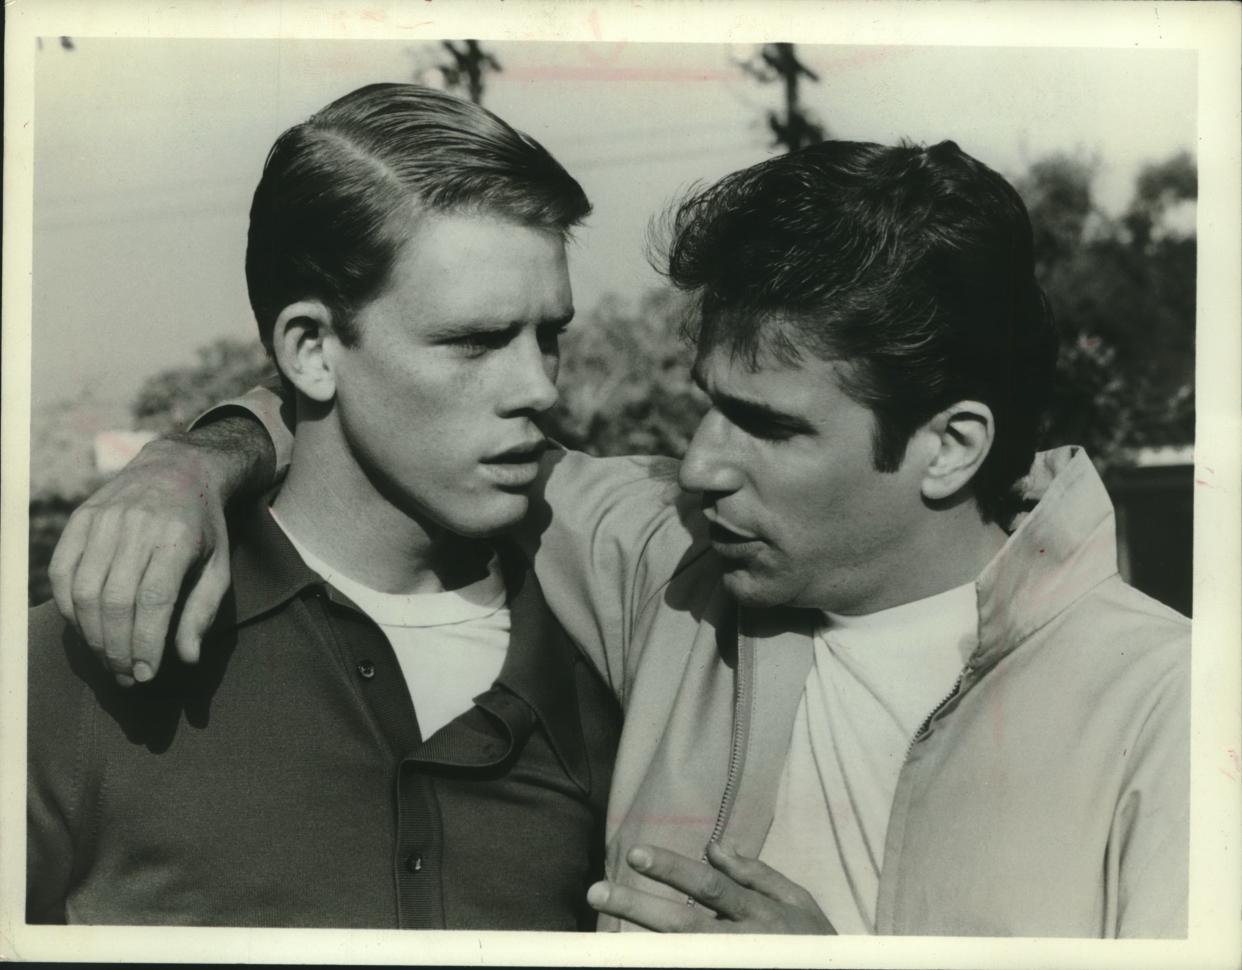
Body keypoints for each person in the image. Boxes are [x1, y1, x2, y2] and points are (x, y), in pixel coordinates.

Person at [46, 138, 1190, 937]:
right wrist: (192, 460)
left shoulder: (1167, 706)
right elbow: (388, 414)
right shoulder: (677, 567)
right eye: (707, 401)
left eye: (767, 424)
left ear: (950, 447)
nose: (697, 463)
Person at [28, 83, 623, 929]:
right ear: (310, 351)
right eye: (475, 342)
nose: (538, 386)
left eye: (549, 335)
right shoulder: (78, 663)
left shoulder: (618, 636)